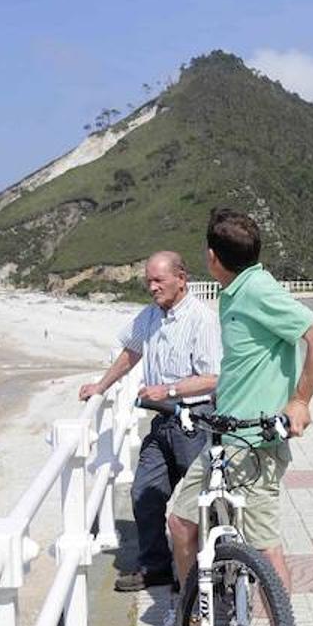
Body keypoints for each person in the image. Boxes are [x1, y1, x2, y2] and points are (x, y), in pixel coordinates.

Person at [165, 209, 313, 626]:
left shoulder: (258, 290)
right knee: (182, 522)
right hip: (223, 437)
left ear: (212, 257)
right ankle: (194, 618)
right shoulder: (234, 292)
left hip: (254, 447)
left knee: (263, 549)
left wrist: (300, 401)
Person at [78, 251, 221, 592]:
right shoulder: (152, 315)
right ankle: (156, 566)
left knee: (201, 503)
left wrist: (168, 389)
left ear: (181, 278)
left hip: (195, 420)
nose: (152, 287)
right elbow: (131, 352)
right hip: (162, 421)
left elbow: (213, 377)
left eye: (159, 280)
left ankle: (210, 573)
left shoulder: (202, 319)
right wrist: (101, 386)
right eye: (149, 281)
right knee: (145, 491)